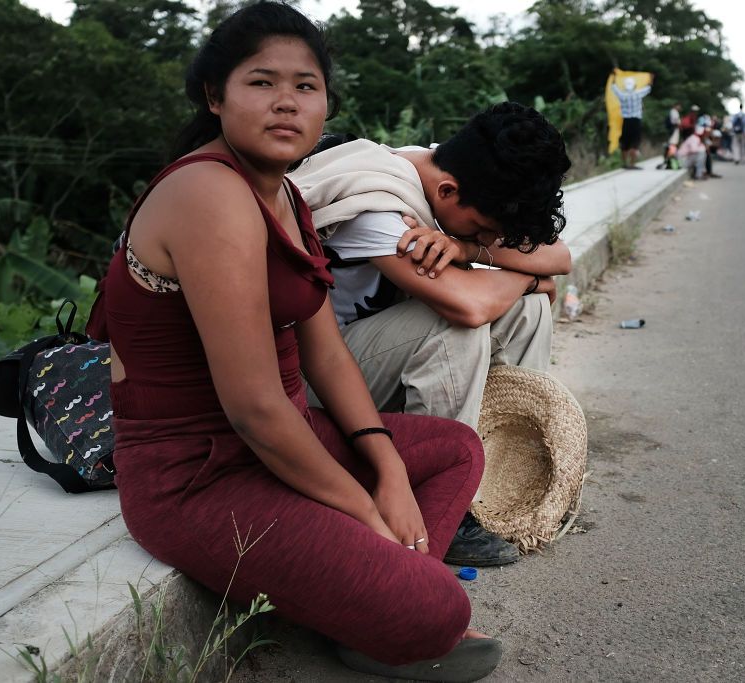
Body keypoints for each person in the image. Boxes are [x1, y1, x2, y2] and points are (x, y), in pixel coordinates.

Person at [89, 3, 502, 679]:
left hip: (286, 437)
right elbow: (254, 406)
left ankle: (371, 602)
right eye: (261, 82)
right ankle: (390, 600)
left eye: (305, 86)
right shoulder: (207, 192)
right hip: (197, 476)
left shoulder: (284, 193)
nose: (286, 102)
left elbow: (326, 351)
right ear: (214, 96)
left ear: (326, 103)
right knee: (441, 611)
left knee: (454, 448)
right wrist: (366, 509)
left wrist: (388, 467)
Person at [290, 102, 571, 567]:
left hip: (367, 359)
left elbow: (559, 256)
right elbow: (469, 303)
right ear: (448, 192)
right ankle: (443, 500)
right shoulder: (380, 204)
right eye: (484, 229)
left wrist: (468, 245)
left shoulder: (443, 171)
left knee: (529, 310)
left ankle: (504, 470)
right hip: (311, 384)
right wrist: (526, 275)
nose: (491, 239)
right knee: (454, 326)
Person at [611, 73, 653, 169]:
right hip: (636, 121)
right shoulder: (638, 93)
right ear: (634, 85)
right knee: (635, 143)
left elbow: (614, 87)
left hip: (626, 121)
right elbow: (649, 88)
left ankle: (625, 164)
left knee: (625, 143)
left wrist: (613, 77)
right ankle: (632, 164)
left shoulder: (622, 95)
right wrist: (651, 78)